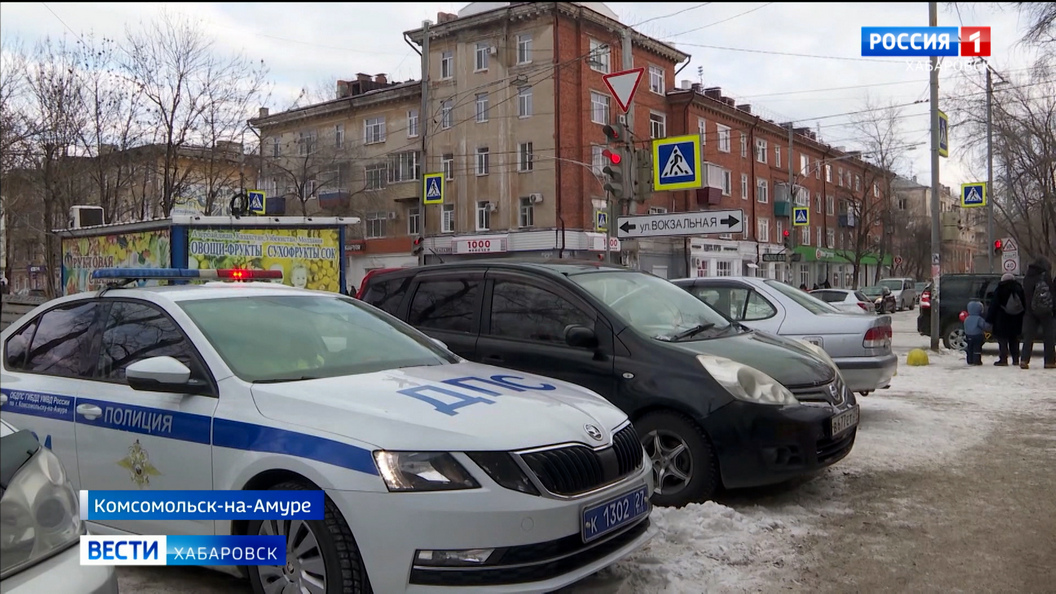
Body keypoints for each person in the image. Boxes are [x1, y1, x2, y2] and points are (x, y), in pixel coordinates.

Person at [1020, 257, 1056, 369]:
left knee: (1028, 337)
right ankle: (1049, 361)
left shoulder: (1027, 277)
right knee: (1048, 336)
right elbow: (1051, 293)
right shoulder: (1045, 276)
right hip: (1045, 311)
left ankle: (1024, 360)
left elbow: (1026, 294)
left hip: (1030, 310)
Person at [986, 273, 1025, 366]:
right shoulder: (1019, 289)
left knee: (1002, 340)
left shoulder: (1000, 289)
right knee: (1014, 339)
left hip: (1002, 319)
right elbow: (1024, 303)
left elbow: (994, 305)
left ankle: (1003, 359)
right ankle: (1015, 359)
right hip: (1016, 319)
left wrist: (989, 319)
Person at [962, 300, 987, 366]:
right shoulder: (979, 319)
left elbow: (965, 326)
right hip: (978, 335)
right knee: (977, 348)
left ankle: (970, 360)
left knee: (970, 348)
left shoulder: (967, 318)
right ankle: (977, 360)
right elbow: (983, 326)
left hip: (968, 335)